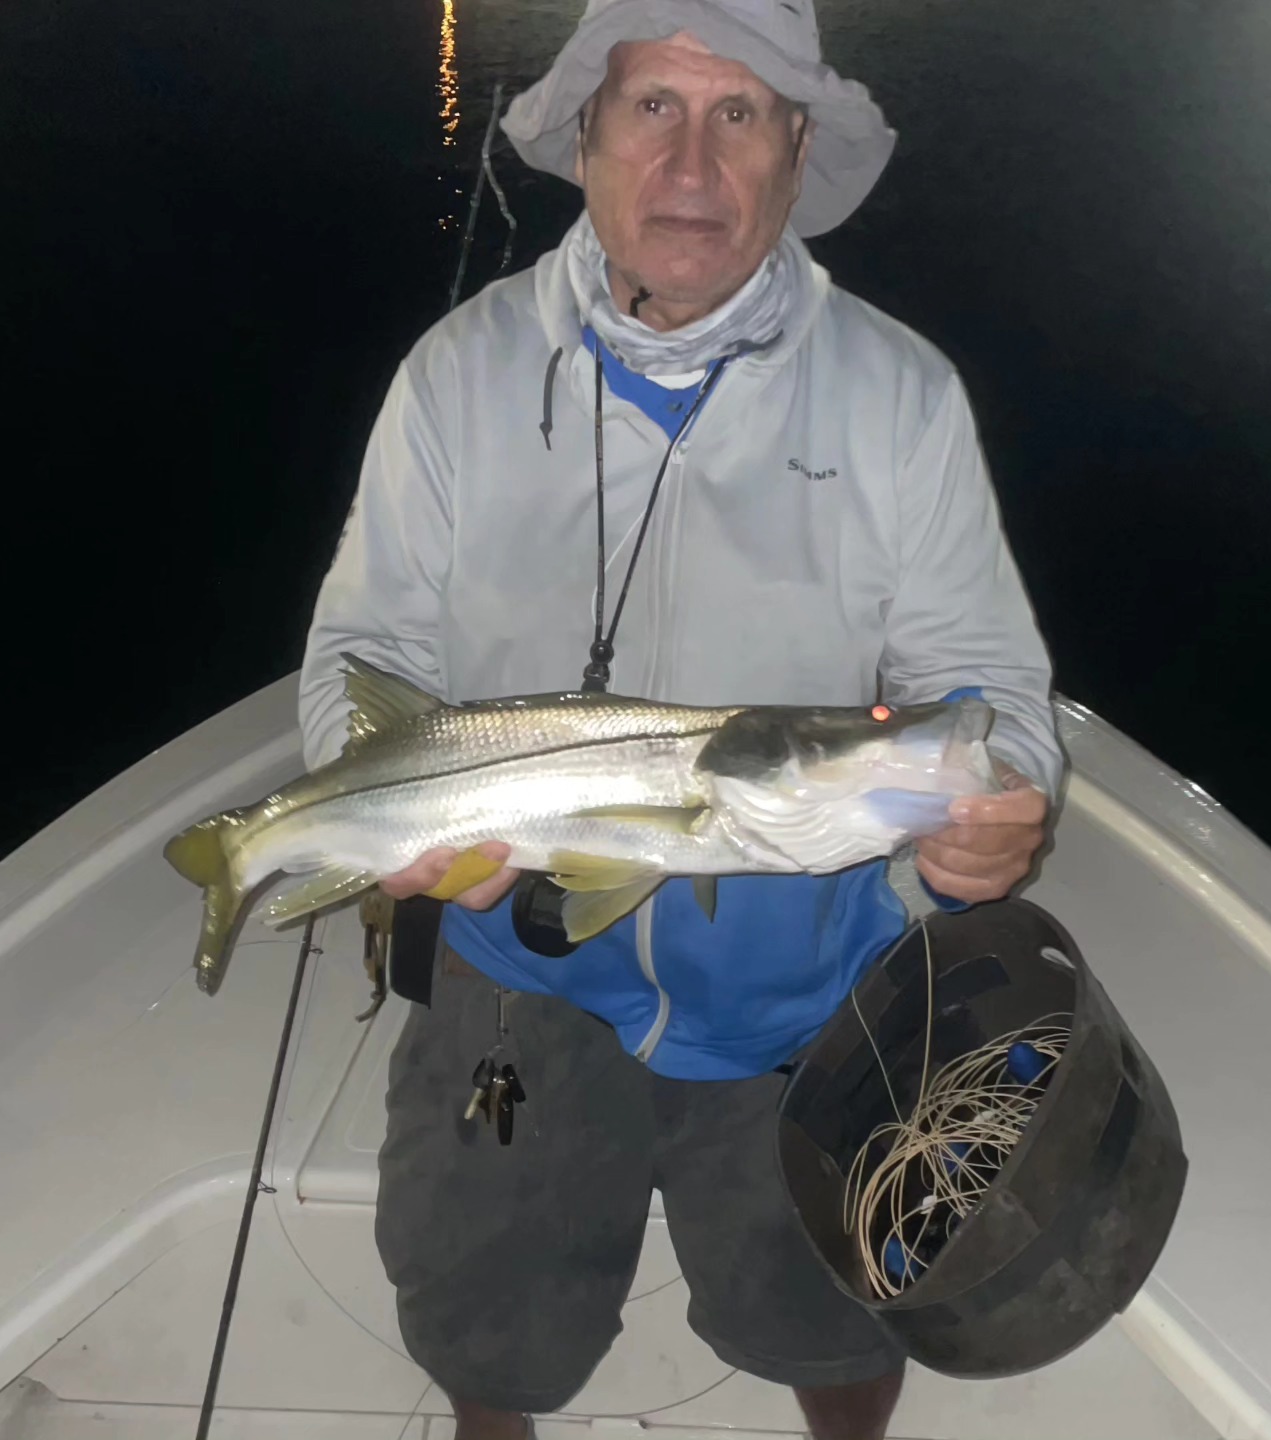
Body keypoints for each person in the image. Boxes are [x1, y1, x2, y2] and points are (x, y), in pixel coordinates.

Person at [298, 2, 1063, 1436]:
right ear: (587, 138)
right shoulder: (458, 375)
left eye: (740, 114)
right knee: (485, 1324)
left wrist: (999, 801)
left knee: (840, 1308)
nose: (692, 164)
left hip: (807, 984)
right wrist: (390, 818)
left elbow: (989, 689)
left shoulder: (900, 394)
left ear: (795, 152)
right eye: (653, 106)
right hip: (517, 971)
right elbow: (366, 651)